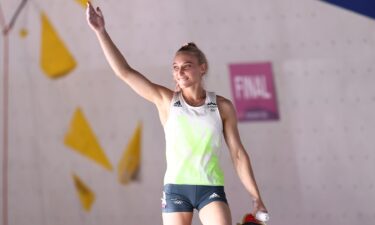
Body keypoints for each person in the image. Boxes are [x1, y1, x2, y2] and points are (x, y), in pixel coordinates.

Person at [86, 2, 268, 225]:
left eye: (186, 65)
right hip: (176, 191)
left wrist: (256, 197)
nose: (179, 72)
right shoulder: (166, 101)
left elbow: (238, 156)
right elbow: (125, 72)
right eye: (175, 67)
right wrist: (101, 31)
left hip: (210, 189)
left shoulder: (222, 106)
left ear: (202, 68)